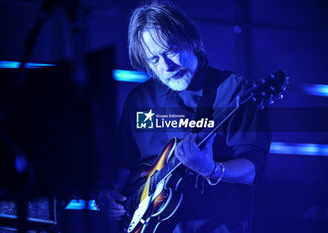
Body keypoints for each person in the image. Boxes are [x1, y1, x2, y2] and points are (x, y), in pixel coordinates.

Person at [98, 2, 271, 233]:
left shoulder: (233, 91)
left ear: (190, 41)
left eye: (170, 51)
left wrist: (212, 169)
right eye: (154, 60)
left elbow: (252, 169)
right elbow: (124, 163)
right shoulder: (139, 99)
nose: (166, 66)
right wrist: (109, 192)